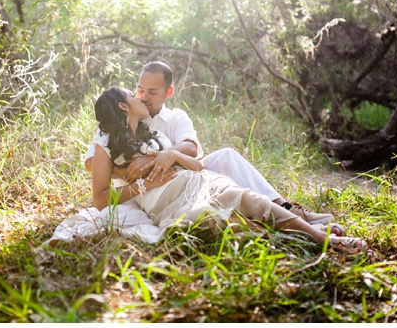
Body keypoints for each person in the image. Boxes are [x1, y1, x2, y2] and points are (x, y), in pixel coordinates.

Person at [89, 86, 367, 252]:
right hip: (166, 200)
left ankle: (323, 239)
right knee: (223, 220)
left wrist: (167, 155)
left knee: (249, 198)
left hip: (198, 180)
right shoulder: (105, 145)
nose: (143, 98)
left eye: (148, 93)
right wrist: (138, 185)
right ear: (124, 107)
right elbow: (100, 198)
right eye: (134, 95)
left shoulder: (157, 136)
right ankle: (296, 235)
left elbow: (196, 162)